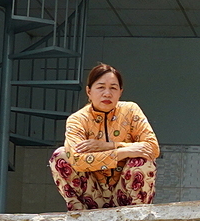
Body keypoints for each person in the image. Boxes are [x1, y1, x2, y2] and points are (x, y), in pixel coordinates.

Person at [51, 63, 162, 210]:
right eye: (101, 87)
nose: (107, 93)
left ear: (120, 92)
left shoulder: (130, 110)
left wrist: (109, 145)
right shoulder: (78, 119)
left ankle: (136, 213)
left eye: (113, 88)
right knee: (61, 156)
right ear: (89, 91)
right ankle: (79, 214)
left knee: (142, 159)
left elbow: (152, 148)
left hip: (126, 194)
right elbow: (77, 160)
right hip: (91, 195)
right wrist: (123, 152)